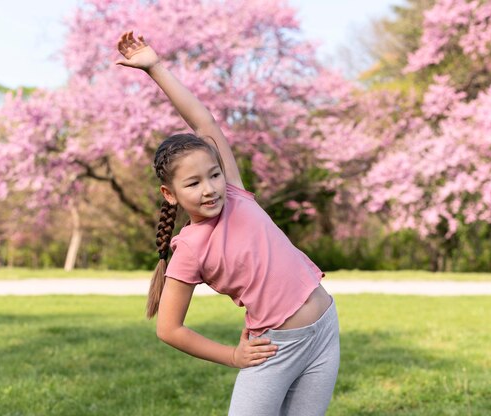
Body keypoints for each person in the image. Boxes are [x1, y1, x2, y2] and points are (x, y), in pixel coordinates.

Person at [116, 31, 340, 416]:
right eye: (193, 183)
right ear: (169, 194)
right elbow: (169, 329)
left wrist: (156, 68)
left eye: (214, 175)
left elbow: (203, 120)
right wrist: (233, 355)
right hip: (274, 347)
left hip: (325, 330)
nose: (210, 189)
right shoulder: (190, 247)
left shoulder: (234, 193)